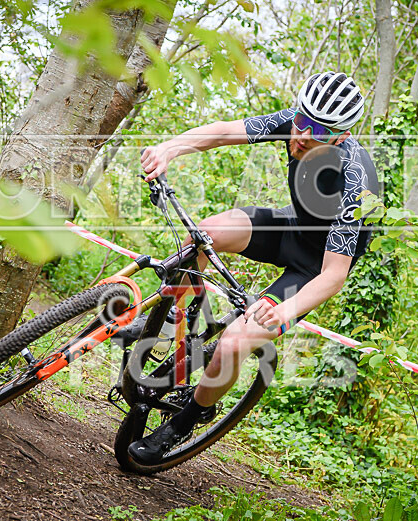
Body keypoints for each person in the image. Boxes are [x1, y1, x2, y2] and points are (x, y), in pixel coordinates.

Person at [126, 71, 378, 465]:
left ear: (340, 138)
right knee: (205, 234)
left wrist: (284, 311)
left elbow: (334, 275)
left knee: (234, 343)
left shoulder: (354, 183)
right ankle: (181, 318)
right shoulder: (299, 122)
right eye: (301, 122)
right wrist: (171, 148)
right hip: (290, 227)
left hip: (313, 268)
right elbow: (226, 131)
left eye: (316, 132)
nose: (300, 136)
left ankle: (189, 418)